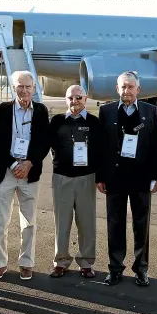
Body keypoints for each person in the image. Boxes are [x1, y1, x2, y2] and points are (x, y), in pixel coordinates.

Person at [98, 71, 157, 287]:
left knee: (141, 225)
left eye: (130, 87)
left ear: (138, 90)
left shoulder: (150, 111)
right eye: (123, 87)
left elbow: (155, 147)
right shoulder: (105, 111)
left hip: (141, 178)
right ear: (117, 89)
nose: (127, 91)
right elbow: (101, 148)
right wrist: (100, 177)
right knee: (114, 224)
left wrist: (156, 177)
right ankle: (115, 268)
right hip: (114, 178)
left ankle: (141, 269)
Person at [0, 70, 50, 281]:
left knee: (29, 222)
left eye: (28, 86)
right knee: (0, 221)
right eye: (19, 86)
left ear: (34, 88)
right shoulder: (4, 110)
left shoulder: (41, 110)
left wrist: (30, 163)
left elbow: (43, 142)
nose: (24, 90)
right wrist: (14, 163)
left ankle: (26, 263)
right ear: (13, 87)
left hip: (29, 173)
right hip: (6, 171)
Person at [47, 85, 102, 279]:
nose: (74, 101)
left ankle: (86, 262)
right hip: (62, 177)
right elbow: (49, 146)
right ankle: (60, 261)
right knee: (62, 222)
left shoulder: (95, 123)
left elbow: (101, 151)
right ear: (66, 99)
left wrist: (100, 177)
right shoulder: (57, 121)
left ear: (85, 99)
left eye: (78, 97)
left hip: (86, 178)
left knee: (86, 222)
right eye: (71, 97)